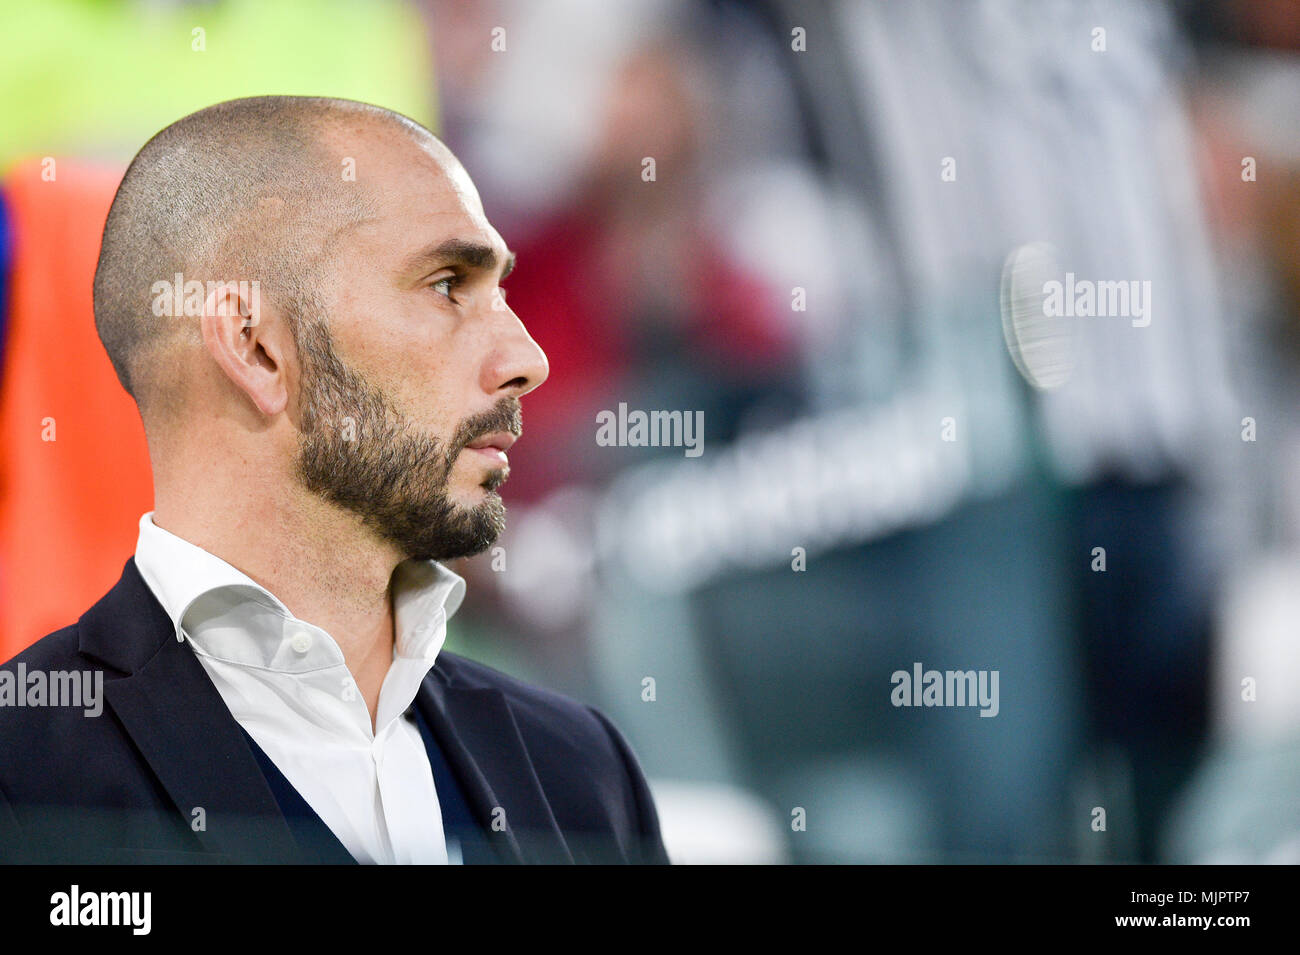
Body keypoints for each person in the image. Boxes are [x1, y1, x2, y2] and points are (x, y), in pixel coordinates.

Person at [0, 96, 669, 865]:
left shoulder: (583, 771)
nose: (527, 358)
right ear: (255, 348)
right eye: (448, 284)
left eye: (503, 294)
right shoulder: (22, 774)